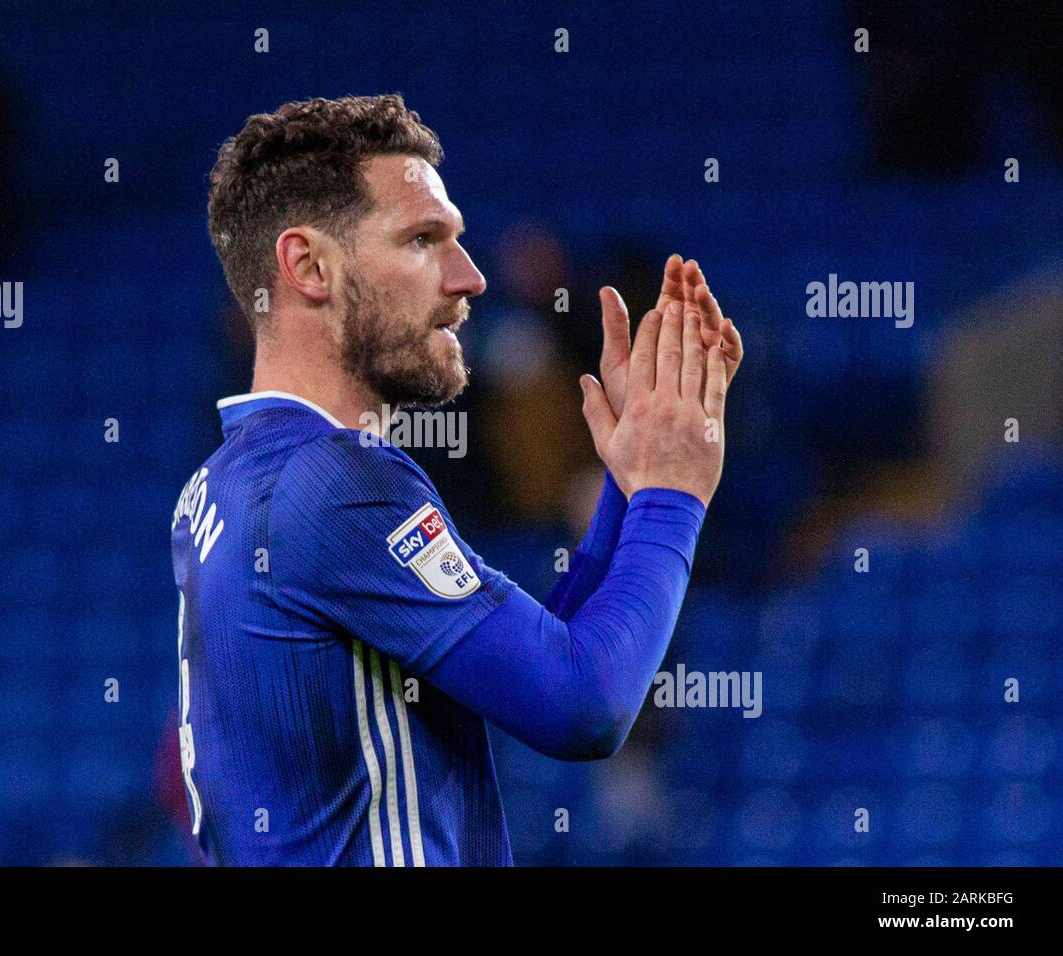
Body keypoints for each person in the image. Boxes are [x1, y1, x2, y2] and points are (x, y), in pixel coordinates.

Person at [171, 94, 743, 865]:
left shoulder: (222, 484)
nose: (469, 278)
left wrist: (630, 486)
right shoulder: (335, 484)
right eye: (421, 240)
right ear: (307, 266)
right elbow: (583, 707)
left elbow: (544, 661)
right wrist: (674, 498)